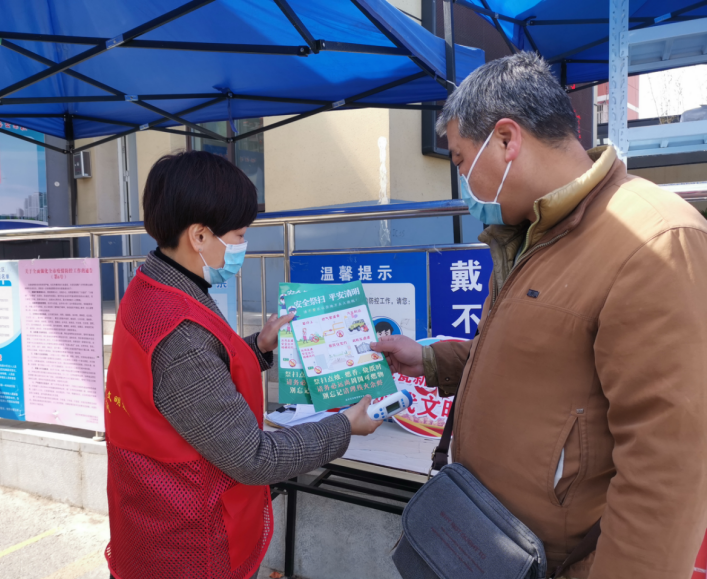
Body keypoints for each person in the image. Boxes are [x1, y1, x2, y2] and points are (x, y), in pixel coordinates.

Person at [371, 52, 707, 579]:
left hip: (562, 562)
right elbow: (524, 354)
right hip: (491, 543)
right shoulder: (529, 232)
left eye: (460, 160)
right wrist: (430, 359)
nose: (463, 182)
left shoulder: (654, 240)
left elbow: (670, 468)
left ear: (507, 140)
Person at [104, 151, 382, 579]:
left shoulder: (150, 286)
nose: (242, 247)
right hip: (189, 547)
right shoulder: (181, 333)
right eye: (238, 234)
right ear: (199, 236)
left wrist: (258, 346)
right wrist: (344, 426)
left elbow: (192, 390)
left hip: (149, 520)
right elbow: (253, 458)